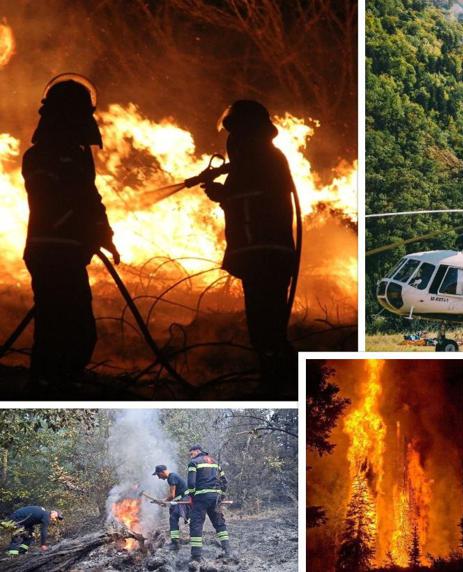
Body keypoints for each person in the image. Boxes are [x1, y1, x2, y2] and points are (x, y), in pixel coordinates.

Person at [22, 73, 120, 385]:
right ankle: (45, 386)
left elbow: (91, 200)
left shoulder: (77, 157)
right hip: (51, 252)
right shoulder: (41, 156)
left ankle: (60, 382)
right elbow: (52, 202)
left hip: (69, 254)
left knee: (78, 332)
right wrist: (82, 228)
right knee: (57, 329)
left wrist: (104, 235)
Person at [202, 100, 297, 389]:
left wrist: (222, 194)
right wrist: (223, 190)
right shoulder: (260, 158)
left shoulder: (262, 160)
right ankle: (278, 379)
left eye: (237, 132)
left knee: (266, 327)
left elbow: (254, 200)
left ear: (246, 131)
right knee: (265, 327)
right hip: (264, 254)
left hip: (264, 254)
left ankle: (280, 383)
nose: (233, 140)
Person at [185, 444, 230, 561]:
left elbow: (191, 484)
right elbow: (225, 481)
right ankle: (228, 550)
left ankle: (196, 556)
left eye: (191, 453)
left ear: (196, 451)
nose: (191, 456)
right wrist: (221, 495)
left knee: (196, 524)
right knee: (219, 523)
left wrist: (192, 496)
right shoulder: (215, 463)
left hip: (200, 498)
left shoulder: (194, 463)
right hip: (215, 498)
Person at [152, 464, 189, 550]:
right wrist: (164, 501)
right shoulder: (173, 476)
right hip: (183, 499)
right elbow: (175, 496)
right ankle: (175, 541)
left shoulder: (171, 478)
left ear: (162, 472)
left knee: (173, 517)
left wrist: (164, 501)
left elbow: (172, 496)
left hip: (185, 500)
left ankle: (175, 543)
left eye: (158, 475)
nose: (158, 477)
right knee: (173, 513)